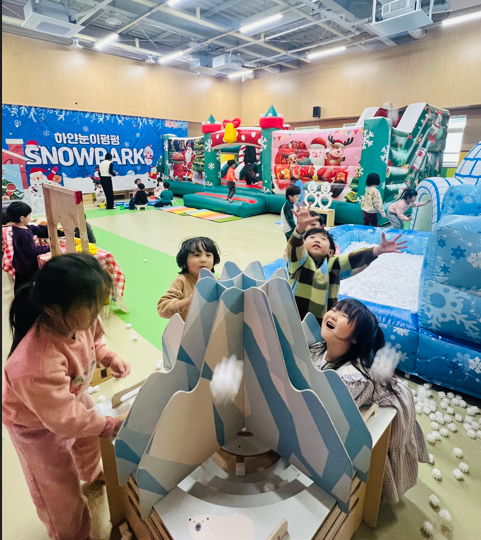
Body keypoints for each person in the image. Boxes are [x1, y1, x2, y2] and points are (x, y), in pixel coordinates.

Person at [2, 253, 131, 540]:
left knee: (88, 442)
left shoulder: (80, 319)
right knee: (58, 492)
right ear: (53, 309)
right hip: (33, 427)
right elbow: (65, 421)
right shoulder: (35, 364)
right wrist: (109, 425)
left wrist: (108, 356)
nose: (99, 309)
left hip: (69, 395)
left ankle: (91, 472)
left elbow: (94, 340)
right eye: (91, 305)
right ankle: (71, 534)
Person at [309, 298, 428, 504]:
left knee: (387, 447)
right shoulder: (321, 349)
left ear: (355, 338)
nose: (333, 315)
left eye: (344, 315)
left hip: (395, 400)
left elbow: (338, 411)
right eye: (335, 309)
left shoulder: (353, 379)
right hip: (372, 381)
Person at [288, 204, 407, 326]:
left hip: (319, 322)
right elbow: (295, 248)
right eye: (312, 237)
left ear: (331, 252)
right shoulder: (300, 262)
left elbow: (352, 260)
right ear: (303, 245)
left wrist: (376, 251)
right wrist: (300, 229)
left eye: (323, 239)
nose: (317, 240)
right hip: (293, 316)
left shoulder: (332, 265)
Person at [157, 237, 220, 322]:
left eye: (208, 255)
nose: (203, 260)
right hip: (186, 328)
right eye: (197, 255)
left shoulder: (216, 280)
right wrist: (187, 302)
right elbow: (163, 309)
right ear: (185, 260)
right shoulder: (181, 280)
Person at [6, 201, 51, 294]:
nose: (30, 218)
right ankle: (24, 299)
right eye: (29, 215)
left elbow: (35, 228)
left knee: (20, 284)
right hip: (27, 266)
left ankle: (19, 297)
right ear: (22, 218)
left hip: (20, 263)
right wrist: (48, 247)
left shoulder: (19, 227)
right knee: (25, 286)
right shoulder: (24, 233)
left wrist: (49, 227)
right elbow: (32, 250)